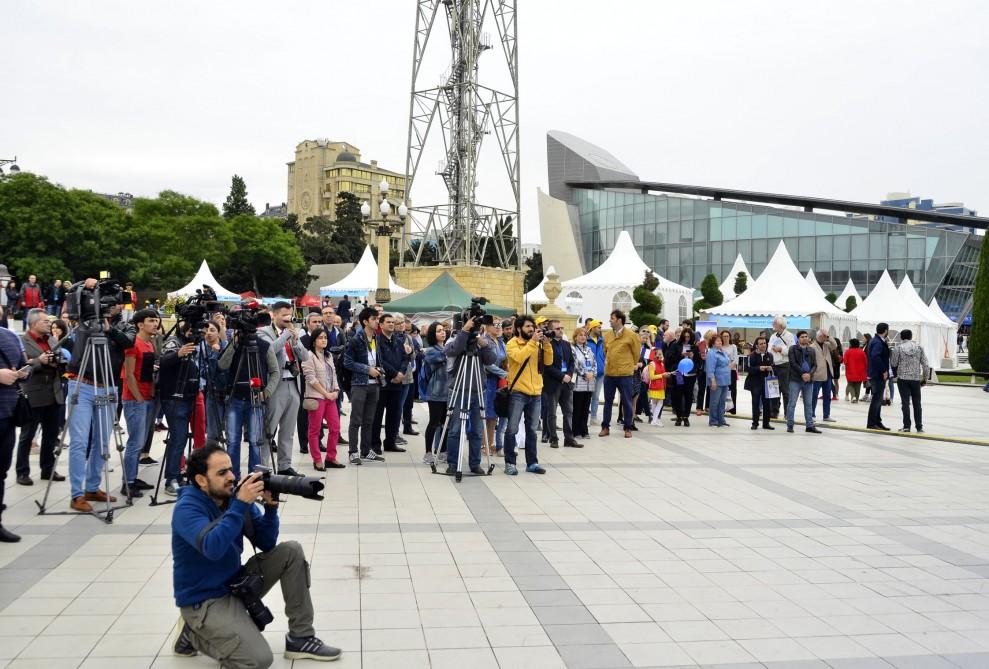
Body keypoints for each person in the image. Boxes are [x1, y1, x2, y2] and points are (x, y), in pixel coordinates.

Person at [171, 444, 341, 666]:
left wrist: (270, 509)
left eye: (231, 469)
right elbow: (212, 548)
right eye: (222, 473)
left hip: (235, 584)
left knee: (291, 551)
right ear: (202, 480)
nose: (232, 477)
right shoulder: (187, 508)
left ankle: (301, 637)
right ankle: (192, 633)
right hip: (204, 600)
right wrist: (240, 505)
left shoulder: (233, 497)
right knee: (258, 660)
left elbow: (266, 542)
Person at [65, 280, 135, 512]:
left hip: (108, 387)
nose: (112, 306)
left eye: (115, 303)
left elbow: (128, 342)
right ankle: (77, 494)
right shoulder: (85, 319)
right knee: (79, 441)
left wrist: (109, 329)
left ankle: (92, 486)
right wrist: (83, 285)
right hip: (82, 385)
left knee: (102, 441)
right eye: (108, 301)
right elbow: (72, 296)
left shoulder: (125, 325)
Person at [218, 322, 279, 481]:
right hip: (235, 398)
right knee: (232, 442)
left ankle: (255, 478)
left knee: (255, 441)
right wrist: (234, 343)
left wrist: (267, 392)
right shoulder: (235, 344)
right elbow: (222, 364)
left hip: (256, 400)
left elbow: (275, 372)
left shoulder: (264, 346)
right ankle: (232, 478)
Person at [14, 309, 66, 487]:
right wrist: (38, 361)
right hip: (34, 394)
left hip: (54, 392)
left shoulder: (51, 339)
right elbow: (20, 367)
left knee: (51, 435)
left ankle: (48, 469)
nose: (49, 324)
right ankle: (22, 472)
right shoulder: (21, 341)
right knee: (27, 435)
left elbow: (58, 359)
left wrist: (57, 361)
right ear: (34, 323)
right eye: (45, 321)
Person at [258, 302, 307, 476]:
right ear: (275, 315)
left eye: (290, 314)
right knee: (268, 430)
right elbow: (268, 351)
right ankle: (264, 467)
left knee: (288, 430)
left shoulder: (293, 332)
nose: (288, 318)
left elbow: (305, 356)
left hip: (293, 383)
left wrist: (295, 340)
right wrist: (285, 335)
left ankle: (285, 465)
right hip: (275, 386)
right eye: (284, 315)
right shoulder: (264, 332)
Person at [443, 316, 497, 475]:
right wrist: (464, 332)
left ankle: (475, 464)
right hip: (458, 390)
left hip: (478, 390)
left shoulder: (482, 343)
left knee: (477, 430)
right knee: (455, 429)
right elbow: (452, 350)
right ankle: (453, 463)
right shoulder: (454, 339)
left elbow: (491, 360)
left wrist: (484, 344)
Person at [503, 316, 552, 475]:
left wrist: (546, 345)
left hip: (536, 392)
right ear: (519, 328)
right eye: (528, 326)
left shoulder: (536, 343)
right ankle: (510, 463)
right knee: (512, 429)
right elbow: (519, 357)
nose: (532, 329)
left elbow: (548, 362)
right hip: (518, 392)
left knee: (532, 430)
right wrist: (533, 342)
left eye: (533, 326)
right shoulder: (512, 344)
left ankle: (532, 463)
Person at [159, 321, 203, 495]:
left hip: (189, 395)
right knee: (178, 438)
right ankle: (171, 479)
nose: (197, 333)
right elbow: (163, 361)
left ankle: (177, 476)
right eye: (193, 330)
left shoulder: (194, 344)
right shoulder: (174, 342)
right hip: (174, 396)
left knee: (181, 437)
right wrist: (178, 353)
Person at [119, 308, 160, 497]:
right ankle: (127, 482)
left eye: (156, 320)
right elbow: (128, 374)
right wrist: (139, 398)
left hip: (146, 397)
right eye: (151, 320)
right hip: (135, 399)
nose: (155, 323)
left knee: (141, 441)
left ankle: (133, 477)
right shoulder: (133, 344)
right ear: (140, 324)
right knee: (135, 442)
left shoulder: (149, 343)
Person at [0, 324, 31, 542]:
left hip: (7, 414)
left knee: (1, 471)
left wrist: (23, 373)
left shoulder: (10, 336)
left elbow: (25, 366)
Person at [343, 307, 384, 464]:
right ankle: (353, 452)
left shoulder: (376, 338)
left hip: (375, 384)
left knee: (369, 420)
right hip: (360, 383)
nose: (377, 321)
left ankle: (366, 450)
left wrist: (379, 369)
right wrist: (367, 370)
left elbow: (377, 359)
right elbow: (348, 362)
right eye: (374, 319)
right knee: (356, 420)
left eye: (377, 318)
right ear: (365, 321)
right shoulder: (355, 339)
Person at [371, 314, 413, 455]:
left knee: (394, 415)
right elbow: (380, 360)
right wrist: (394, 374)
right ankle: (375, 444)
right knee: (377, 415)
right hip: (383, 383)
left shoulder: (398, 340)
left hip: (397, 383)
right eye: (388, 322)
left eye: (393, 322)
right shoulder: (376, 340)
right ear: (381, 325)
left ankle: (390, 442)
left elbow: (405, 357)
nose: (391, 324)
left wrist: (401, 373)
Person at [301, 329, 343, 469]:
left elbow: (334, 375)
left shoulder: (328, 355)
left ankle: (331, 458)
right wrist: (326, 393)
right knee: (315, 430)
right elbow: (310, 378)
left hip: (331, 397)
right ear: (313, 341)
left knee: (335, 427)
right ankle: (317, 459)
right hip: (316, 397)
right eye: (320, 338)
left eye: (325, 337)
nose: (324, 340)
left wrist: (336, 390)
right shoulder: (308, 355)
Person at [542, 319, 582, 449]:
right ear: (551, 330)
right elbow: (547, 366)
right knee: (552, 413)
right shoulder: (546, 344)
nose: (561, 330)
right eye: (557, 328)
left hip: (566, 383)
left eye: (562, 328)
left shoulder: (566, 344)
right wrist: (562, 376)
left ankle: (569, 438)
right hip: (553, 383)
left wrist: (569, 375)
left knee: (568, 412)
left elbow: (571, 362)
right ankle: (553, 438)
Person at [599, 310, 639, 439]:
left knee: (627, 401)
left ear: (619, 320)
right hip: (610, 373)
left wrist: (628, 365)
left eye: (612, 318)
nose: (610, 320)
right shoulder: (607, 335)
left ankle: (628, 427)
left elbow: (636, 353)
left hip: (625, 374)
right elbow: (605, 351)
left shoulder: (631, 335)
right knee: (608, 402)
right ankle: (605, 427)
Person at [421, 322, 450, 465]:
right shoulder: (432, 350)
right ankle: (428, 453)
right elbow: (442, 357)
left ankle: (443, 451)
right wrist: (453, 347)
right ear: (433, 334)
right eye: (439, 331)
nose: (443, 333)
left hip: (449, 392)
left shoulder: (445, 348)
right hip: (436, 392)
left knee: (446, 423)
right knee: (434, 422)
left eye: (444, 330)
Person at [890, 329, 929, 433]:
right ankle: (919, 427)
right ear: (911, 337)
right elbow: (925, 365)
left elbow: (893, 363)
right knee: (917, 403)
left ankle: (906, 426)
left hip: (903, 379)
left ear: (901, 337)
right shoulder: (919, 348)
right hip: (915, 379)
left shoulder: (898, 348)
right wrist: (925, 378)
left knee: (905, 403)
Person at [785, 330, 821, 434]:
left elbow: (815, 365)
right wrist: (803, 374)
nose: (805, 338)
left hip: (808, 380)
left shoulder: (811, 350)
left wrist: (809, 374)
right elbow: (793, 363)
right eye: (802, 337)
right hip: (795, 379)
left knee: (809, 403)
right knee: (792, 403)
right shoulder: (793, 349)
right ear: (798, 339)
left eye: (806, 336)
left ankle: (809, 425)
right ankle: (790, 424)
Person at [482, 320, 507, 456]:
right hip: (487, 380)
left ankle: (491, 443)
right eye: (495, 325)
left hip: (498, 380)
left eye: (499, 325)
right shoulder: (484, 341)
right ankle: (483, 444)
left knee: (494, 415)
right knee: (486, 414)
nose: (498, 328)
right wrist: (504, 374)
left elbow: (504, 360)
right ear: (487, 326)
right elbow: (487, 364)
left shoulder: (501, 342)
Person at [664, 328, 697, 427]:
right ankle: (678, 416)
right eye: (685, 336)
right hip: (679, 373)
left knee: (688, 396)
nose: (687, 338)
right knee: (678, 394)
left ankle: (686, 417)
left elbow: (699, 360)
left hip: (691, 374)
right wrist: (681, 355)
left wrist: (693, 356)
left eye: (688, 337)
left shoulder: (694, 347)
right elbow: (669, 358)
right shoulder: (676, 346)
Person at [745, 336, 776, 430]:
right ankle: (755, 423)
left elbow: (773, 366)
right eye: (761, 344)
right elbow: (747, 368)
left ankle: (766, 423)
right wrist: (759, 368)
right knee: (755, 403)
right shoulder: (752, 356)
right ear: (757, 345)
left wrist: (771, 368)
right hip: (755, 383)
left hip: (767, 383)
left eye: (764, 343)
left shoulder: (770, 355)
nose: (763, 345)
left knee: (767, 404)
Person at [571, 327, 596, 439]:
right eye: (580, 335)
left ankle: (584, 430)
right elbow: (575, 364)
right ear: (575, 337)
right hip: (579, 383)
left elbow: (594, 363)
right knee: (577, 407)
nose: (582, 337)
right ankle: (575, 430)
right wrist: (584, 374)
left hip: (589, 383)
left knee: (586, 408)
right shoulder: (573, 349)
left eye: (584, 335)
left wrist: (592, 373)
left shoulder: (589, 349)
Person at [866, 323, 891, 430]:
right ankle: (872, 423)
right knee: (876, 399)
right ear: (885, 331)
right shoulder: (878, 342)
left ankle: (877, 421)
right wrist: (884, 370)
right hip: (878, 375)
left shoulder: (875, 340)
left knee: (878, 399)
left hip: (875, 374)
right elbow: (875, 357)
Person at [768, 316, 794, 419]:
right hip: (774, 365)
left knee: (785, 390)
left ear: (780, 325)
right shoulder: (773, 336)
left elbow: (792, 350)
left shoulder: (789, 336)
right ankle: (774, 411)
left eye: (774, 323)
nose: (773, 325)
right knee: (774, 390)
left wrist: (781, 349)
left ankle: (787, 413)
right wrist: (772, 350)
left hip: (784, 365)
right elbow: (769, 348)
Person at [810, 329, 838, 423]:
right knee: (814, 396)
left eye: (825, 336)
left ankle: (826, 415)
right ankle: (812, 414)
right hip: (817, 375)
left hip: (828, 374)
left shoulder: (827, 345)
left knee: (827, 396)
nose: (824, 338)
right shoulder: (812, 347)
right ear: (818, 336)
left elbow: (835, 345)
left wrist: (828, 336)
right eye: (823, 336)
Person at [706, 332, 732, 427]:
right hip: (716, 381)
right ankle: (713, 421)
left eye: (720, 341)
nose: (720, 342)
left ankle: (721, 420)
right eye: (718, 341)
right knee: (714, 402)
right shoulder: (711, 353)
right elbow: (710, 368)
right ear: (713, 343)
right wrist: (713, 380)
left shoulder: (723, 352)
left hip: (725, 381)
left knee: (722, 402)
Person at [585, 320, 606, 423]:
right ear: (592, 328)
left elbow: (605, 355)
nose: (600, 329)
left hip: (600, 373)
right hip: (589, 373)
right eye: (598, 327)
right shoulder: (586, 341)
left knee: (596, 397)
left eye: (600, 328)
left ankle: (593, 417)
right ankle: (584, 417)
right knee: (587, 396)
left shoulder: (602, 341)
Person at [646, 347, 669, 426]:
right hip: (655, 386)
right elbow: (652, 377)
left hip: (661, 386)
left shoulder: (662, 363)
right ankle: (654, 420)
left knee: (658, 403)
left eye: (661, 353)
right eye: (659, 354)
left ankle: (654, 420)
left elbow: (662, 374)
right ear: (655, 355)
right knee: (656, 403)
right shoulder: (652, 364)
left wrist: (666, 375)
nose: (661, 355)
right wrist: (662, 375)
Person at [720, 330, 739, 415]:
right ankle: (723, 407)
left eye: (727, 336)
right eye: (724, 336)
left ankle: (732, 409)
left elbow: (735, 359)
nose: (726, 338)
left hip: (731, 371)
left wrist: (729, 367)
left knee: (732, 389)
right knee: (723, 390)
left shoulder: (733, 346)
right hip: (722, 371)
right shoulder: (720, 347)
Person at [843, 338, 867, 402]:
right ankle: (856, 399)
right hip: (860, 372)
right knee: (858, 386)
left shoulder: (848, 352)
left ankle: (853, 396)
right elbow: (865, 362)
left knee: (850, 384)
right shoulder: (862, 352)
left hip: (850, 371)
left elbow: (845, 362)